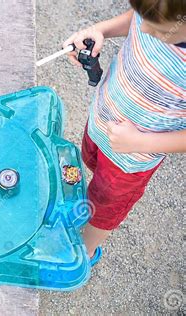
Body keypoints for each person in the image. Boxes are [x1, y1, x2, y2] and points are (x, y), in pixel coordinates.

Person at [63, 0, 185, 265]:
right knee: (91, 167)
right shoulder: (160, 13)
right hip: (103, 115)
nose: (144, 29)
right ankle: (87, 197)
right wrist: (101, 30)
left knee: (106, 205)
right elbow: (139, 17)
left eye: (155, 27)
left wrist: (139, 141)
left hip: (133, 158)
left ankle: (86, 251)